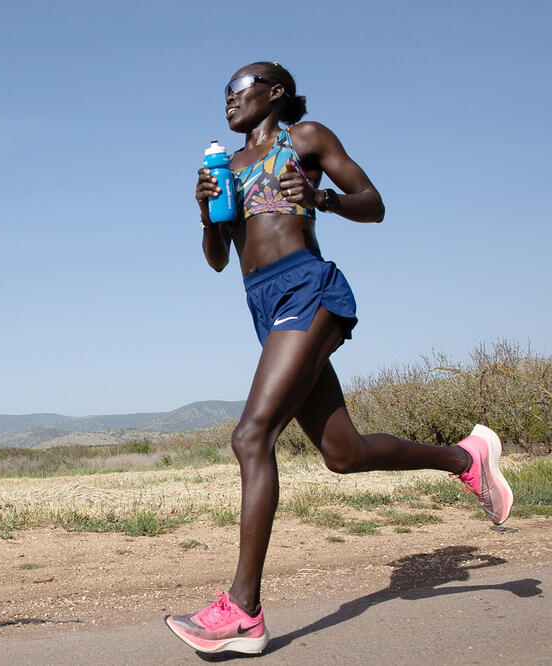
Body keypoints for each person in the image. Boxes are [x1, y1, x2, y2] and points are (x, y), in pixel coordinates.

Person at [163, 61, 514, 656]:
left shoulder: (306, 139)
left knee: (252, 437)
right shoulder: (229, 167)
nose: (229, 100)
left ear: (275, 93)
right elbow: (219, 260)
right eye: (223, 94)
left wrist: (321, 196)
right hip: (263, 302)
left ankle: (243, 611)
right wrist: (205, 214)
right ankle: (466, 456)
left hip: (309, 289)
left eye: (239, 89)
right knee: (342, 453)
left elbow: (373, 203)